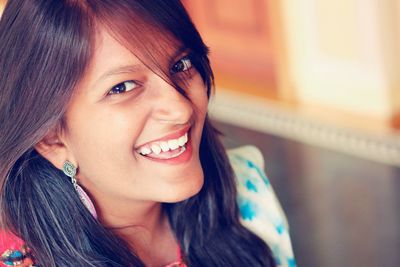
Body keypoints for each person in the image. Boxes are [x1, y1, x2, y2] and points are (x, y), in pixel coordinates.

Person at [0, 1, 296, 266]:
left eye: (181, 64)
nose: (180, 109)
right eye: (123, 87)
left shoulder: (246, 189)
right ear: (51, 138)